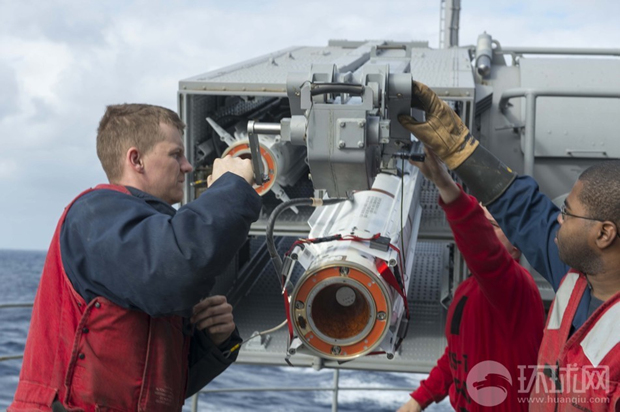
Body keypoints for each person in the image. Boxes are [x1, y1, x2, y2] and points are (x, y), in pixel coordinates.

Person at [9, 104, 261, 412]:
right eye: (176, 154)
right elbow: (177, 269)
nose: (187, 167)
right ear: (136, 160)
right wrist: (232, 187)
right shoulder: (96, 213)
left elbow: (153, 386)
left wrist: (214, 341)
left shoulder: (150, 241)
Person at [398, 81, 620, 410]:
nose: (557, 220)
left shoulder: (516, 287)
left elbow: (487, 257)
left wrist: (451, 193)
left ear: (604, 234)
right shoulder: (575, 275)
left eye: (567, 213)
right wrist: (460, 149)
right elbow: (526, 212)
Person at [397, 149, 545, 411]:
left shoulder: (516, 288)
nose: (484, 230)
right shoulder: (468, 289)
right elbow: (456, 354)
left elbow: (482, 248)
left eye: (492, 226)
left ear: (517, 246)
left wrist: (445, 185)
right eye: (482, 222)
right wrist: (419, 399)